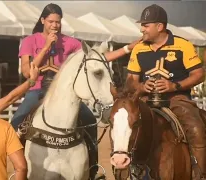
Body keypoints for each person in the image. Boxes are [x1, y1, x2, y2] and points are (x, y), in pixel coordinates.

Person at [10, 3, 141, 179]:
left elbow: (96, 60)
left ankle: (93, 167)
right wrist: (47, 46)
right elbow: (27, 71)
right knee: (15, 123)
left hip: (66, 93)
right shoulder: (30, 41)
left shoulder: (71, 42)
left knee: (89, 121)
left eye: (58, 21)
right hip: (37, 89)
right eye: (51, 21)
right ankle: (19, 169)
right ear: (42, 20)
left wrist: (127, 49)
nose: (55, 25)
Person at [127, 4, 206, 179]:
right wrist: (140, 87)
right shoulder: (139, 48)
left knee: (196, 128)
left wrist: (174, 86)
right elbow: (131, 80)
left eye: (146, 25)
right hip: (145, 100)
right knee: (124, 126)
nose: (142, 29)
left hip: (177, 99)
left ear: (159, 26)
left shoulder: (182, 45)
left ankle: (199, 174)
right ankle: (127, 171)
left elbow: (199, 74)